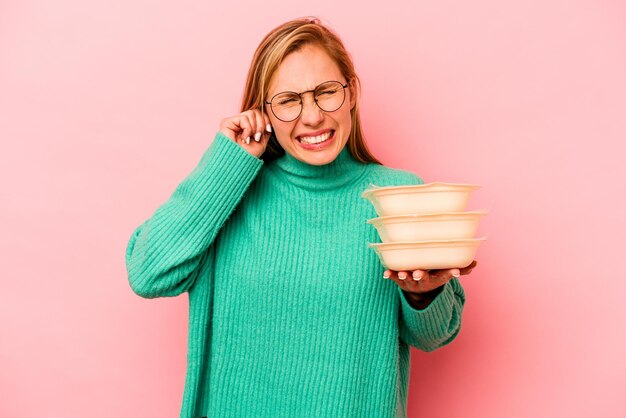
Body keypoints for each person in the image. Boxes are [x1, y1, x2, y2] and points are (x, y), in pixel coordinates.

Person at [125, 16, 477, 418]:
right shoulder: (230, 190)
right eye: (289, 101)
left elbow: (437, 334)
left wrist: (424, 293)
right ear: (264, 112)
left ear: (351, 93)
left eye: (326, 92)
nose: (311, 117)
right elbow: (147, 274)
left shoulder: (398, 195)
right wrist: (227, 163)